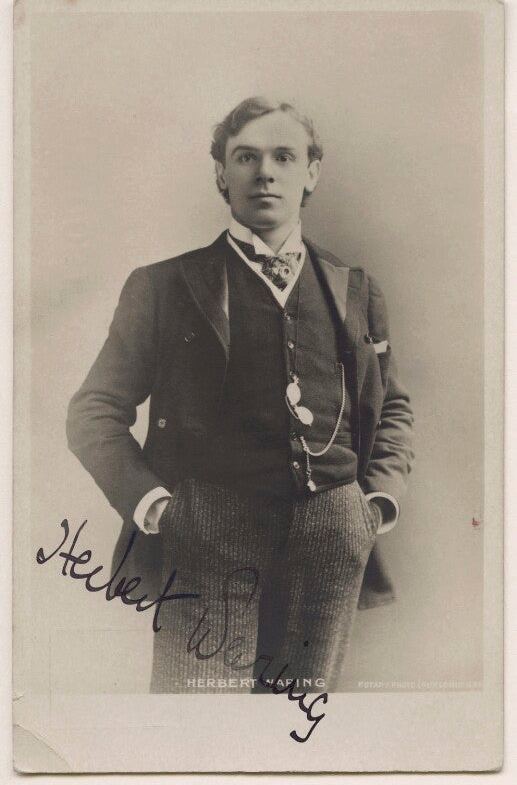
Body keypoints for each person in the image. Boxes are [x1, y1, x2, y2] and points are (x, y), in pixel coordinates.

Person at [66, 96, 414, 694]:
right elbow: (93, 411)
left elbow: (393, 406)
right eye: (246, 157)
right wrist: (157, 505)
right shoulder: (162, 286)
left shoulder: (356, 288)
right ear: (222, 174)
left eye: (284, 156)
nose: (265, 172)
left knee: (302, 717)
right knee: (198, 720)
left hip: (333, 530)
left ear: (311, 172)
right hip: (209, 528)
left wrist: (375, 502)